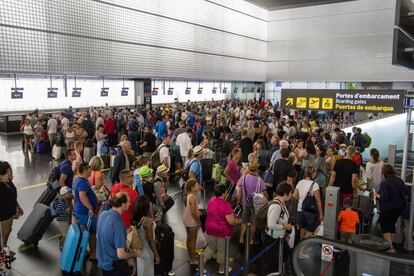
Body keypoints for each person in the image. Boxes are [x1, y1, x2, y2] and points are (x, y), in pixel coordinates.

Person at [97, 192, 141, 276]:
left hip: (102, 263)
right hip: (113, 267)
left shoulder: (103, 214)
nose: (130, 203)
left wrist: (125, 231)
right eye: (128, 202)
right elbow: (121, 254)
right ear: (123, 205)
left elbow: (105, 233)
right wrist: (135, 254)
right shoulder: (119, 224)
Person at [203, 184, 243, 274]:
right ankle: (221, 269)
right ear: (224, 193)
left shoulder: (211, 200)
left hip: (210, 229)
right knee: (222, 250)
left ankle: (201, 264)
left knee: (211, 247)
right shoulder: (226, 205)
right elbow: (231, 221)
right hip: (222, 232)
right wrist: (240, 221)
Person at [237, 154, 268, 245]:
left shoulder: (244, 177)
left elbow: (240, 191)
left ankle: (241, 238)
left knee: (244, 221)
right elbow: (265, 193)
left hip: (245, 202)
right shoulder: (260, 180)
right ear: (257, 169)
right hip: (256, 204)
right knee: (254, 223)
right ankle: (251, 239)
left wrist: (239, 202)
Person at [263, 182, 293, 275]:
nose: (291, 195)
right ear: (285, 194)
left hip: (278, 237)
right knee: (271, 262)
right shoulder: (276, 206)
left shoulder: (281, 203)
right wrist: (285, 226)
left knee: (286, 252)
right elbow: (271, 224)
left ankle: (277, 272)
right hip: (273, 238)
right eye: (290, 193)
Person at [378, 164, 406, 253]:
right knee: (391, 225)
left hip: (388, 208)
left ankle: (390, 247)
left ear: (384, 173)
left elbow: (385, 197)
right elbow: (404, 192)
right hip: (399, 208)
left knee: (385, 227)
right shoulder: (400, 180)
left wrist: (378, 196)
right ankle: (391, 245)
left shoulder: (384, 183)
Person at [73, 163, 98, 261]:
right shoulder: (82, 183)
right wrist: (90, 208)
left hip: (81, 211)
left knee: (85, 231)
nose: (91, 170)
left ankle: (85, 251)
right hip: (85, 212)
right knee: (92, 231)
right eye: (89, 169)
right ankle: (93, 253)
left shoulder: (81, 181)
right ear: (84, 170)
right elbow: (82, 196)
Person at [132, 195, 161, 276]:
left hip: (139, 251)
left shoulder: (136, 219)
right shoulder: (147, 222)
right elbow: (151, 241)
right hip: (147, 251)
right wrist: (156, 255)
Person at [293, 167, 324, 239]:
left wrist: (301, 200)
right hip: (310, 211)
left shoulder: (300, 182)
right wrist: (321, 214)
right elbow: (318, 201)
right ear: (312, 173)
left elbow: (295, 196)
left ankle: (299, 247)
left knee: (302, 229)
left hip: (300, 210)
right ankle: (304, 247)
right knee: (309, 232)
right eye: (315, 172)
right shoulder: (314, 185)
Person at [0, 161, 23, 253]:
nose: (10, 174)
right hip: (4, 214)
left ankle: (4, 247)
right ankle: (2, 250)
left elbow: (12, 194)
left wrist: (17, 206)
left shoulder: (8, 181)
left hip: (10, 210)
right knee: (4, 234)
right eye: (7, 172)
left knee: (8, 231)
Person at [183, 178, 202, 266]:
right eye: (197, 185)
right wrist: (198, 221)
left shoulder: (188, 195)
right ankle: (192, 259)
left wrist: (199, 212)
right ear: (192, 188)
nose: (199, 186)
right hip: (192, 221)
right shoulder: (193, 198)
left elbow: (191, 209)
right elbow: (193, 212)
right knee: (193, 241)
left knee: (189, 239)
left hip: (186, 220)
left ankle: (190, 255)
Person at [52, 186, 73, 250]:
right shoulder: (61, 202)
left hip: (64, 219)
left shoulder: (65, 200)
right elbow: (57, 211)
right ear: (63, 194)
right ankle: (63, 246)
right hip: (62, 220)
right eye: (68, 193)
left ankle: (62, 242)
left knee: (64, 232)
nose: (69, 194)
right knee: (65, 233)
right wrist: (66, 210)